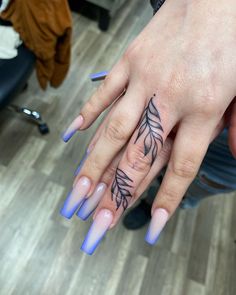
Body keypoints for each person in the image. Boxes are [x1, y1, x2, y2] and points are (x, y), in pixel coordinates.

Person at [60, 0, 236, 255]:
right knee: (133, 159)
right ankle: (149, 200)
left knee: (193, 184)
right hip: (178, 74)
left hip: (226, 160)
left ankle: (155, 203)